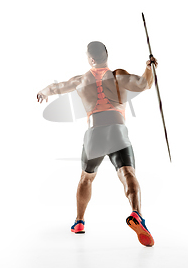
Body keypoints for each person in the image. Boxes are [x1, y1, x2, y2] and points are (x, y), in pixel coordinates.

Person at [36, 41, 157, 247]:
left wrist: (43, 92)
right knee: (128, 174)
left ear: (90, 59)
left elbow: (58, 87)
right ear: (106, 55)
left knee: (86, 178)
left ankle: (79, 222)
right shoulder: (118, 75)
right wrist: (149, 67)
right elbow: (145, 84)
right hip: (118, 131)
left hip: (95, 134)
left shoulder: (82, 80)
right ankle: (136, 213)